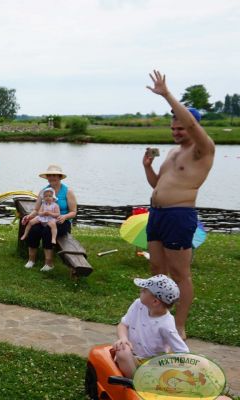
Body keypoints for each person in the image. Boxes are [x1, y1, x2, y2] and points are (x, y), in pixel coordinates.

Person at [143, 70, 215, 340]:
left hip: (179, 216)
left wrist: (167, 95)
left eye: (180, 127)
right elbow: (158, 187)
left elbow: (195, 128)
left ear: (192, 127)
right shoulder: (173, 152)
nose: (176, 131)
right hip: (157, 214)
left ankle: (180, 326)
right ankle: (157, 317)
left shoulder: (202, 149)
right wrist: (147, 168)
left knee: (180, 273)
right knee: (156, 270)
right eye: (172, 128)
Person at [113, 275, 188, 378]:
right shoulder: (138, 305)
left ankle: (142, 384)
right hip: (132, 357)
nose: (141, 290)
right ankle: (134, 380)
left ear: (155, 302)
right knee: (122, 351)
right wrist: (123, 338)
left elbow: (182, 351)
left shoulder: (166, 324)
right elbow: (123, 324)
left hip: (153, 365)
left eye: (144, 290)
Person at [20, 164, 78, 272]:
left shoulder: (68, 191)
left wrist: (64, 216)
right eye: (49, 175)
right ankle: (31, 260)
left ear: (60, 177)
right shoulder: (43, 191)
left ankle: (49, 263)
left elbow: (73, 212)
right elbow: (36, 210)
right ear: (47, 177)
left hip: (61, 221)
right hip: (44, 219)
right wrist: (29, 216)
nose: (52, 177)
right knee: (34, 230)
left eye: (55, 175)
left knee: (47, 231)